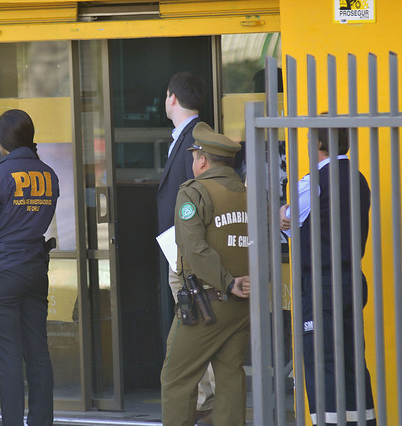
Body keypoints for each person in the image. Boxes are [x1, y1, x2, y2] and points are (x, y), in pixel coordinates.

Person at [0, 109, 59, 426]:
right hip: (34, 268)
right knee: (38, 352)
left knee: (8, 357)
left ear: (3, 140)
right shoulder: (49, 175)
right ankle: (42, 420)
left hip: (2, 271)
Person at [279, 127, 376, 425]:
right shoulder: (358, 179)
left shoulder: (314, 182)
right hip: (352, 280)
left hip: (322, 285)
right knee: (351, 362)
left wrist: (284, 212)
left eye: (309, 139)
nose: (307, 144)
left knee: (322, 363)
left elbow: (286, 218)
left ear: (320, 143)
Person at [161, 122, 251, 426]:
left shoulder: (193, 192)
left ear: (201, 160)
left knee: (176, 378)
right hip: (241, 305)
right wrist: (241, 282)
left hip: (206, 304)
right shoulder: (250, 195)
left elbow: (195, 250)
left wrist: (227, 282)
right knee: (230, 378)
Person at [157, 71, 216, 419]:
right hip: (178, 245)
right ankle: (201, 397)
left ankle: (204, 399)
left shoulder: (197, 137)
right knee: (190, 315)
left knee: (194, 318)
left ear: (172, 98)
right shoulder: (185, 135)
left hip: (187, 247)